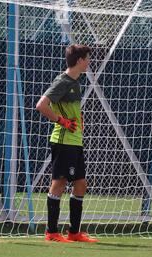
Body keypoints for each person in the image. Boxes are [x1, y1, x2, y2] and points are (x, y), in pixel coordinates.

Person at [36, 44, 97, 243]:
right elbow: (41, 105)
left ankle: (74, 233)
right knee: (60, 183)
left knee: (80, 184)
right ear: (79, 60)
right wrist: (61, 121)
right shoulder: (62, 81)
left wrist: (76, 117)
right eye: (88, 58)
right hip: (63, 142)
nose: (89, 62)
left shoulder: (77, 82)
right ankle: (52, 233)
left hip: (75, 141)